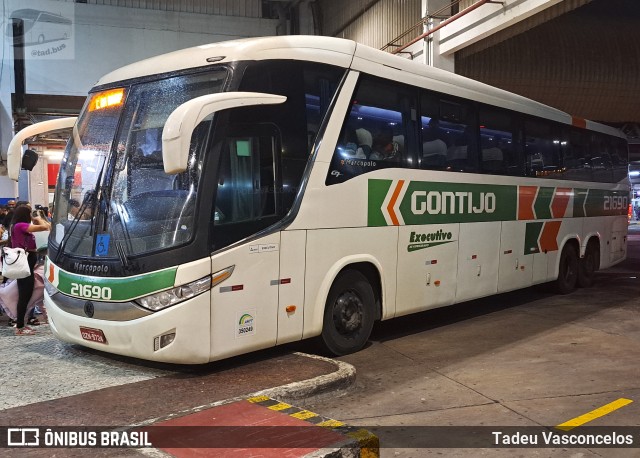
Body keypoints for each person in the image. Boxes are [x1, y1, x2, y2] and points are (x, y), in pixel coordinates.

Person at [9, 204, 51, 335]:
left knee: (25, 295)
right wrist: (37, 217)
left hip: (27, 263)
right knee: (24, 295)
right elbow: (46, 226)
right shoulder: (21, 226)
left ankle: (21, 324)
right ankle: (20, 327)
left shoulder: (17, 226)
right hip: (25, 263)